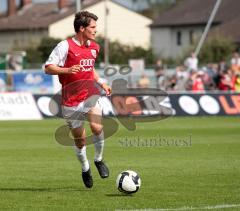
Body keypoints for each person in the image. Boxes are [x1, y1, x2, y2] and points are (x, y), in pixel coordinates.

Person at [44, 11, 111, 188]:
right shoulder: (64, 46)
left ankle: (99, 160)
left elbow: (91, 69)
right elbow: (48, 68)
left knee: (97, 127)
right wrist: (66, 70)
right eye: (93, 27)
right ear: (82, 28)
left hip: (90, 94)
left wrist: (101, 82)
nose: (96, 30)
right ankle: (85, 167)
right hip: (71, 100)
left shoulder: (95, 47)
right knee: (80, 141)